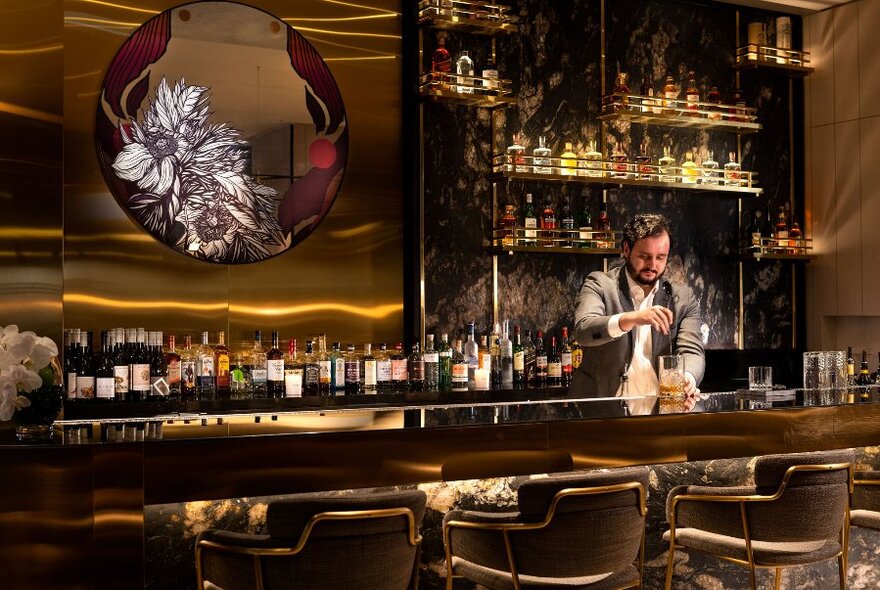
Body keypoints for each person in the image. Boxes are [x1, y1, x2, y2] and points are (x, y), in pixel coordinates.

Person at [570, 213, 704, 412]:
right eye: (644, 256)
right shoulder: (599, 284)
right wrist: (631, 319)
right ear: (626, 249)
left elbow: (692, 352)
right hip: (600, 415)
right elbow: (584, 331)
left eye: (660, 258)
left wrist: (688, 377)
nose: (652, 265)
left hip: (661, 414)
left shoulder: (683, 299)